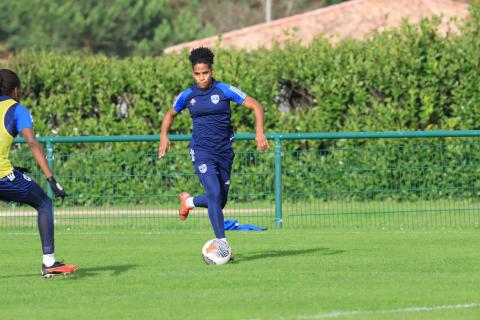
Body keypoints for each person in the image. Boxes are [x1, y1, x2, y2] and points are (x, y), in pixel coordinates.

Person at [158, 47, 269, 258]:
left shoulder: (224, 90)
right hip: (201, 152)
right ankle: (223, 245)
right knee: (214, 194)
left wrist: (259, 132)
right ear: (193, 73)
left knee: (219, 200)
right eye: (197, 74)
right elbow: (170, 114)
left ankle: (188, 202)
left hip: (224, 152)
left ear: (211, 70)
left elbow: (256, 106)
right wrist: (164, 135)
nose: (202, 78)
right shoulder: (187, 95)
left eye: (205, 73)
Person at [0, 69, 78, 277]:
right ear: (16, 90)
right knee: (44, 202)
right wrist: (51, 178)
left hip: (5, 172)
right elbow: (32, 143)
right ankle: (49, 262)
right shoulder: (17, 110)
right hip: (2, 176)